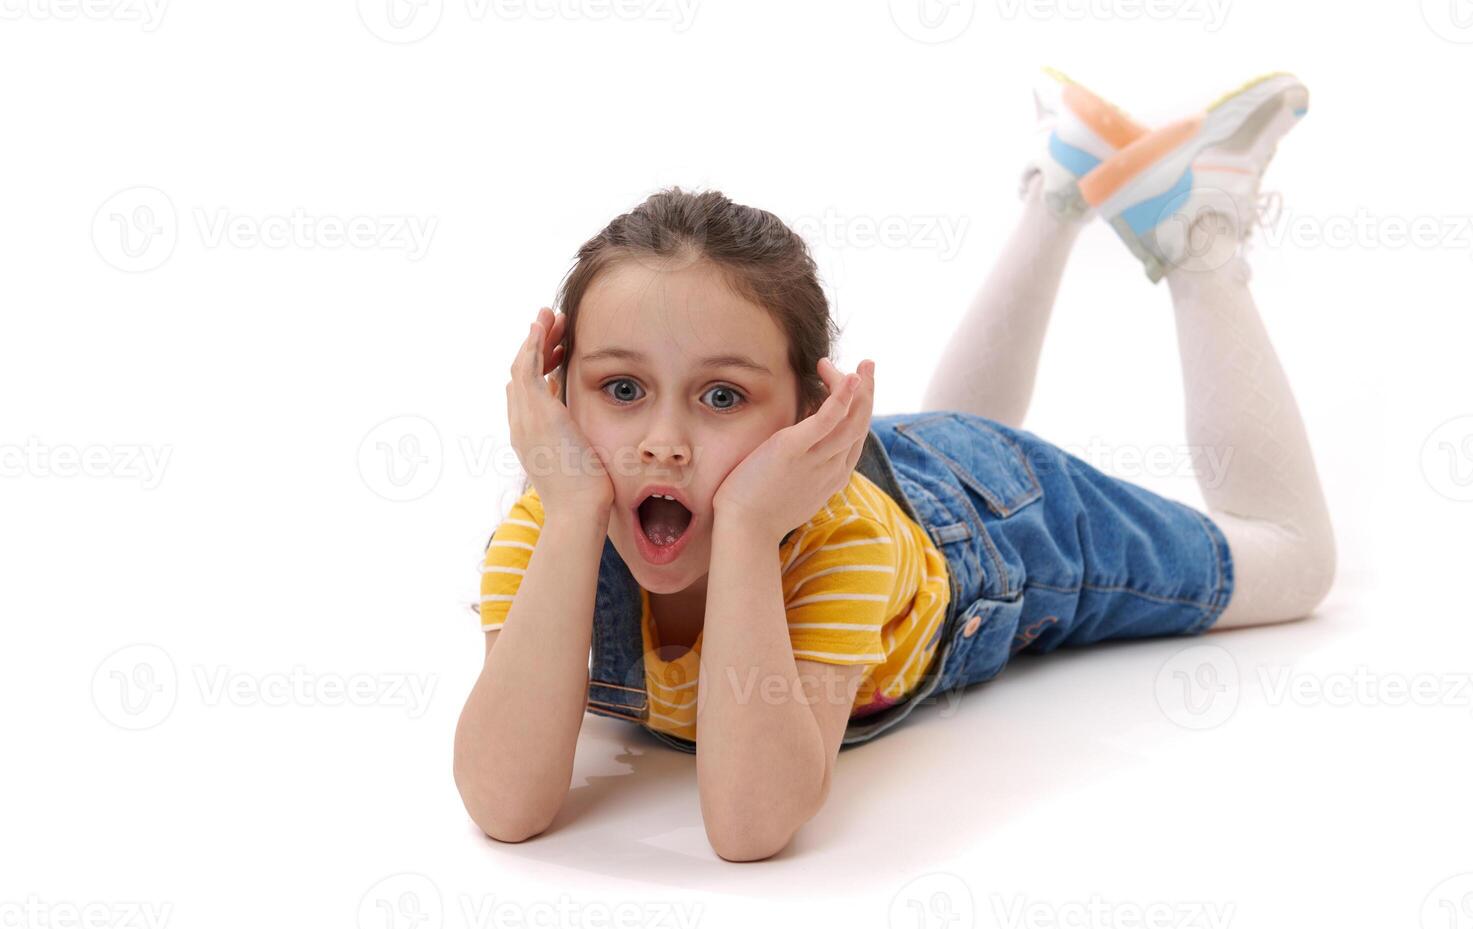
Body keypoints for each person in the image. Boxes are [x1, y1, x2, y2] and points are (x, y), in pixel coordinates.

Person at [453, 68, 1337, 860]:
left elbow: (749, 825)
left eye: (722, 396)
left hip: (993, 529)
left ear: (809, 416)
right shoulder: (547, 527)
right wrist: (572, 512)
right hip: (888, 470)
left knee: (1293, 562)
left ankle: (1198, 228)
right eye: (619, 389)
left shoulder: (840, 546)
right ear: (556, 395)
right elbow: (503, 803)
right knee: (961, 425)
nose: (663, 442)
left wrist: (754, 525)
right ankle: (1062, 182)